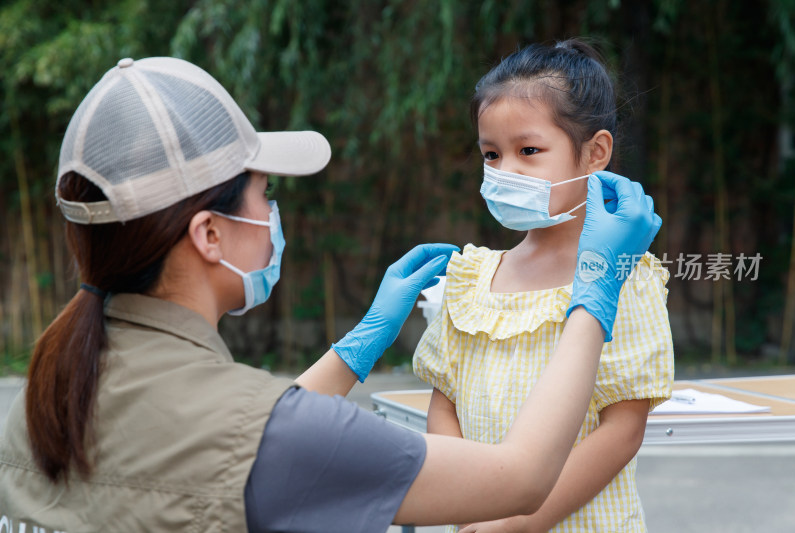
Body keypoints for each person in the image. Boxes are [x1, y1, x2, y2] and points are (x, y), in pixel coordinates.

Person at [0, 56, 661, 533]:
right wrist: (596, 289)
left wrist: (354, 348)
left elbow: (253, 440)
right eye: (264, 192)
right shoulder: (270, 429)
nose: (274, 212)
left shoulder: (40, 402)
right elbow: (519, 477)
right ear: (207, 233)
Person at [413, 40, 673, 532]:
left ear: (595, 153)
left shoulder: (623, 275)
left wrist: (518, 521)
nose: (505, 171)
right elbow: (444, 403)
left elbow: (623, 430)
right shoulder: (474, 276)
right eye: (491, 154)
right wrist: (466, 504)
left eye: (528, 151)